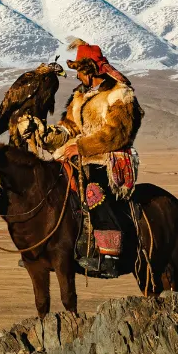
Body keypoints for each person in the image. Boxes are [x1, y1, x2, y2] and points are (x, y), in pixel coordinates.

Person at [35, 38, 144, 270]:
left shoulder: (119, 95)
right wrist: (43, 135)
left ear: (89, 71)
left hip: (107, 158)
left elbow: (117, 134)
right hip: (77, 156)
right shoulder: (80, 96)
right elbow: (70, 128)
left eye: (80, 72)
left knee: (94, 192)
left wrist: (82, 148)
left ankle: (110, 255)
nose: (77, 77)